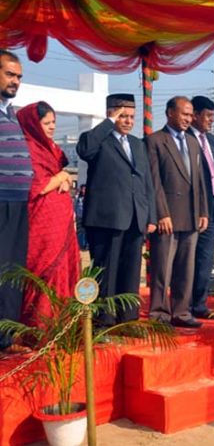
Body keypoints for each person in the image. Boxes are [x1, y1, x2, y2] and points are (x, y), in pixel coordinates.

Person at [78, 94, 156, 326]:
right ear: (111, 113)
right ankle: (105, 319)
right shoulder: (97, 140)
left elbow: (146, 182)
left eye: (132, 117)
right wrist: (108, 123)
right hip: (106, 219)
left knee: (131, 271)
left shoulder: (137, 144)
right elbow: (85, 150)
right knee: (107, 271)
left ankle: (128, 317)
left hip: (135, 217)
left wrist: (150, 215)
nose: (129, 121)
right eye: (123, 116)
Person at [16, 101, 80, 329]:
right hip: (42, 224)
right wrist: (61, 177)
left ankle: (63, 327)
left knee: (64, 270)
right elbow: (37, 187)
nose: (52, 127)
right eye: (47, 123)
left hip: (61, 222)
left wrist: (64, 178)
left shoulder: (51, 149)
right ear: (33, 125)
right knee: (44, 272)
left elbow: (63, 179)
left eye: (54, 122)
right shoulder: (28, 150)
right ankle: (40, 329)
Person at [146, 96, 209, 328]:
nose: (188, 119)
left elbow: (199, 181)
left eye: (190, 114)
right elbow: (155, 182)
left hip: (191, 215)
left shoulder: (193, 143)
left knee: (186, 268)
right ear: (170, 113)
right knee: (162, 268)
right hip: (168, 217)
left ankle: (181, 312)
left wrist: (203, 210)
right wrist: (161, 213)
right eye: (184, 114)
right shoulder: (155, 141)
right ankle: (160, 313)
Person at [0, 49, 30, 352]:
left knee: (12, 272)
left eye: (19, 76)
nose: (16, 81)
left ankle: (6, 338)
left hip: (18, 201)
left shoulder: (11, 111)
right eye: (10, 74)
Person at [188, 95, 214, 320]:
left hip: (212, 210)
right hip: (191, 210)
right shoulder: (185, 139)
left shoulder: (212, 141)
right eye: (208, 116)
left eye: (212, 116)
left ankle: (199, 304)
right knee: (188, 259)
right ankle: (183, 304)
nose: (211, 120)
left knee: (205, 259)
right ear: (195, 115)